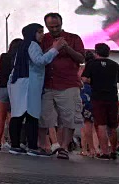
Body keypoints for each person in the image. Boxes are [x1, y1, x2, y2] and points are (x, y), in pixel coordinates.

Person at [8, 23, 64, 156]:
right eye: (39, 32)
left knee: (17, 115)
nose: (42, 34)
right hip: (29, 84)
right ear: (32, 33)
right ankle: (32, 147)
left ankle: (15, 145)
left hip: (18, 83)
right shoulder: (33, 45)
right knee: (31, 116)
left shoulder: (22, 45)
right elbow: (39, 60)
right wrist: (55, 49)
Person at [39, 13, 85, 160]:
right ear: (46, 26)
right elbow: (37, 58)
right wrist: (53, 48)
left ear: (61, 23)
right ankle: (45, 146)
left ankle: (64, 147)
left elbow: (81, 58)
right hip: (47, 84)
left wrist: (67, 48)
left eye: (57, 26)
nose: (54, 29)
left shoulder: (73, 38)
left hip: (68, 84)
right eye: (51, 27)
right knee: (45, 118)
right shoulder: (43, 39)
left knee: (69, 118)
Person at [82, 43, 119, 160]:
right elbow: (118, 80)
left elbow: (84, 79)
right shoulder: (115, 65)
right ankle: (113, 151)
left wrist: (94, 81)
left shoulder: (92, 64)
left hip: (98, 97)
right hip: (112, 98)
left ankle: (104, 152)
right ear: (108, 52)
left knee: (101, 125)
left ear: (96, 52)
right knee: (113, 126)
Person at [0, 38, 23, 151]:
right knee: (13, 116)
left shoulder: (2, 57)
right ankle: (13, 141)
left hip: (2, 87)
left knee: (1, 117)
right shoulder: (20, 57)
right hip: (14, 87)